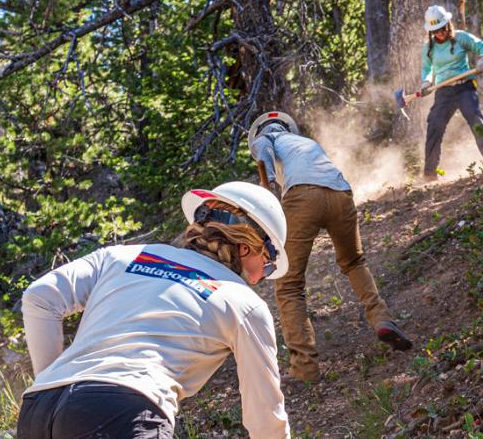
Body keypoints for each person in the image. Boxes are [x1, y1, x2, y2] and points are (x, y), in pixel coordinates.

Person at [16, 181, 291, 439]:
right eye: (266, 266)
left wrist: (52, 378)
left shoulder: (122, 255)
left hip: (39, 408)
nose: (260, 278)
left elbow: (39, 297)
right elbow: (265, 415)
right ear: (245, 248)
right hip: (123, 408)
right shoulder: (243, 302)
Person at [248, 111, 413, 384]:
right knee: (354, 262)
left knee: (289, 284)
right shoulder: (306, 143)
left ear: (262, 130)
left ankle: (305, 369)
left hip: (303, 198)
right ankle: (383, 320)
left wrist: (268, 189)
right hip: (341, 193)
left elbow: (263, 153)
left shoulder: (266, 138)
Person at [420, 5, 483, 181]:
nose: (439, 33)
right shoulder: (428, 48)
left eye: (441, 28)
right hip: (443, 92)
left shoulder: (461, 37)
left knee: (477, 122)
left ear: (448, 25)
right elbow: (426, 69)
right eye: (435, 31)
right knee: (434, 126)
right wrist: (426, 82)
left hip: (464, 88)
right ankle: (429, 174)